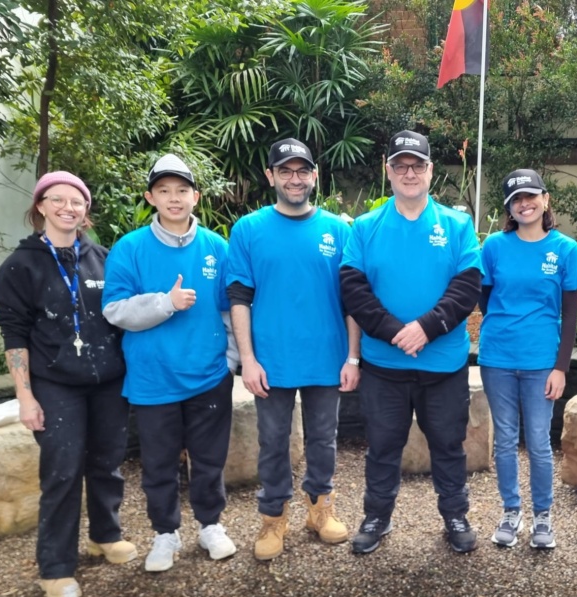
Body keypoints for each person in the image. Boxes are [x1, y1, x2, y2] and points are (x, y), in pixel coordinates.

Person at [0, 172, 135, 597]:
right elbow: (14, 335)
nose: (68, 208)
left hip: (108, 380)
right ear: (41, 206)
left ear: (85, 210)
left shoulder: (102, 257)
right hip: (55, 384)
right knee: (62, 469)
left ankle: (105, 535)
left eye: (77, 202)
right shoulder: (21, 265)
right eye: (58, 200)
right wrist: (25, 395)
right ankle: (55, 566)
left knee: (108, 462)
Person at [341, 130, 482, 555]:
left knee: (447, 444)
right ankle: (376, 516)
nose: (409, 172)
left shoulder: (457, 224)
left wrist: (426, 327)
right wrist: (393, 331)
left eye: (417, 165)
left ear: (431, 171)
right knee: (383, 446)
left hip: (443, 364)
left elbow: (467, 285)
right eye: (400, 165)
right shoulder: (366, 227)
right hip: (385, 364)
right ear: (388, 171)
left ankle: (455, 514)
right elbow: (352, 286)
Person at [102, 154, 239, 572]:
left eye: (182, 190)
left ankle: (210, 524)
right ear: (150, 197)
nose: (174, 198)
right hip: (153, 379)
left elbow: (231, 310)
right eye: (164, 190)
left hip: (208, 376)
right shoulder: (130, 248)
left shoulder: (217, 246)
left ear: (196, 196)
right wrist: (165, 303)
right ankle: (165, 533)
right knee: (159, 462)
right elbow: (114, 310)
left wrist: (230, 361)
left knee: (210, 458)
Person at [227, 138, 361, 561]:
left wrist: (353, 356)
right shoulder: (248, 229)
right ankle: (273, 518)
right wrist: (247, 359)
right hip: (271, 361)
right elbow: (238, 298)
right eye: (285, 170)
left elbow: (353, 300)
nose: (295, 178)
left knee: (324, 440)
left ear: (314, 176)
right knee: (273, 442)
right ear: (270, 177)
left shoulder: (339, 231)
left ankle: (320, 510)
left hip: (327, 357)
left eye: (302, 170)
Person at [479, 169, 577, 549]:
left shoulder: (565, 250)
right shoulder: (493, 247)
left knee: (539, 441)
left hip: (542, 361)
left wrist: (561, 367)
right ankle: (511, 512)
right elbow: (485, 298)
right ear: (509, 206)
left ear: (545, 199)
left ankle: (543, 517)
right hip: (497, 358)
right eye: (516, 199)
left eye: (531, 196)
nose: (525, 204)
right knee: (504, 440)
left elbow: (570, 315)